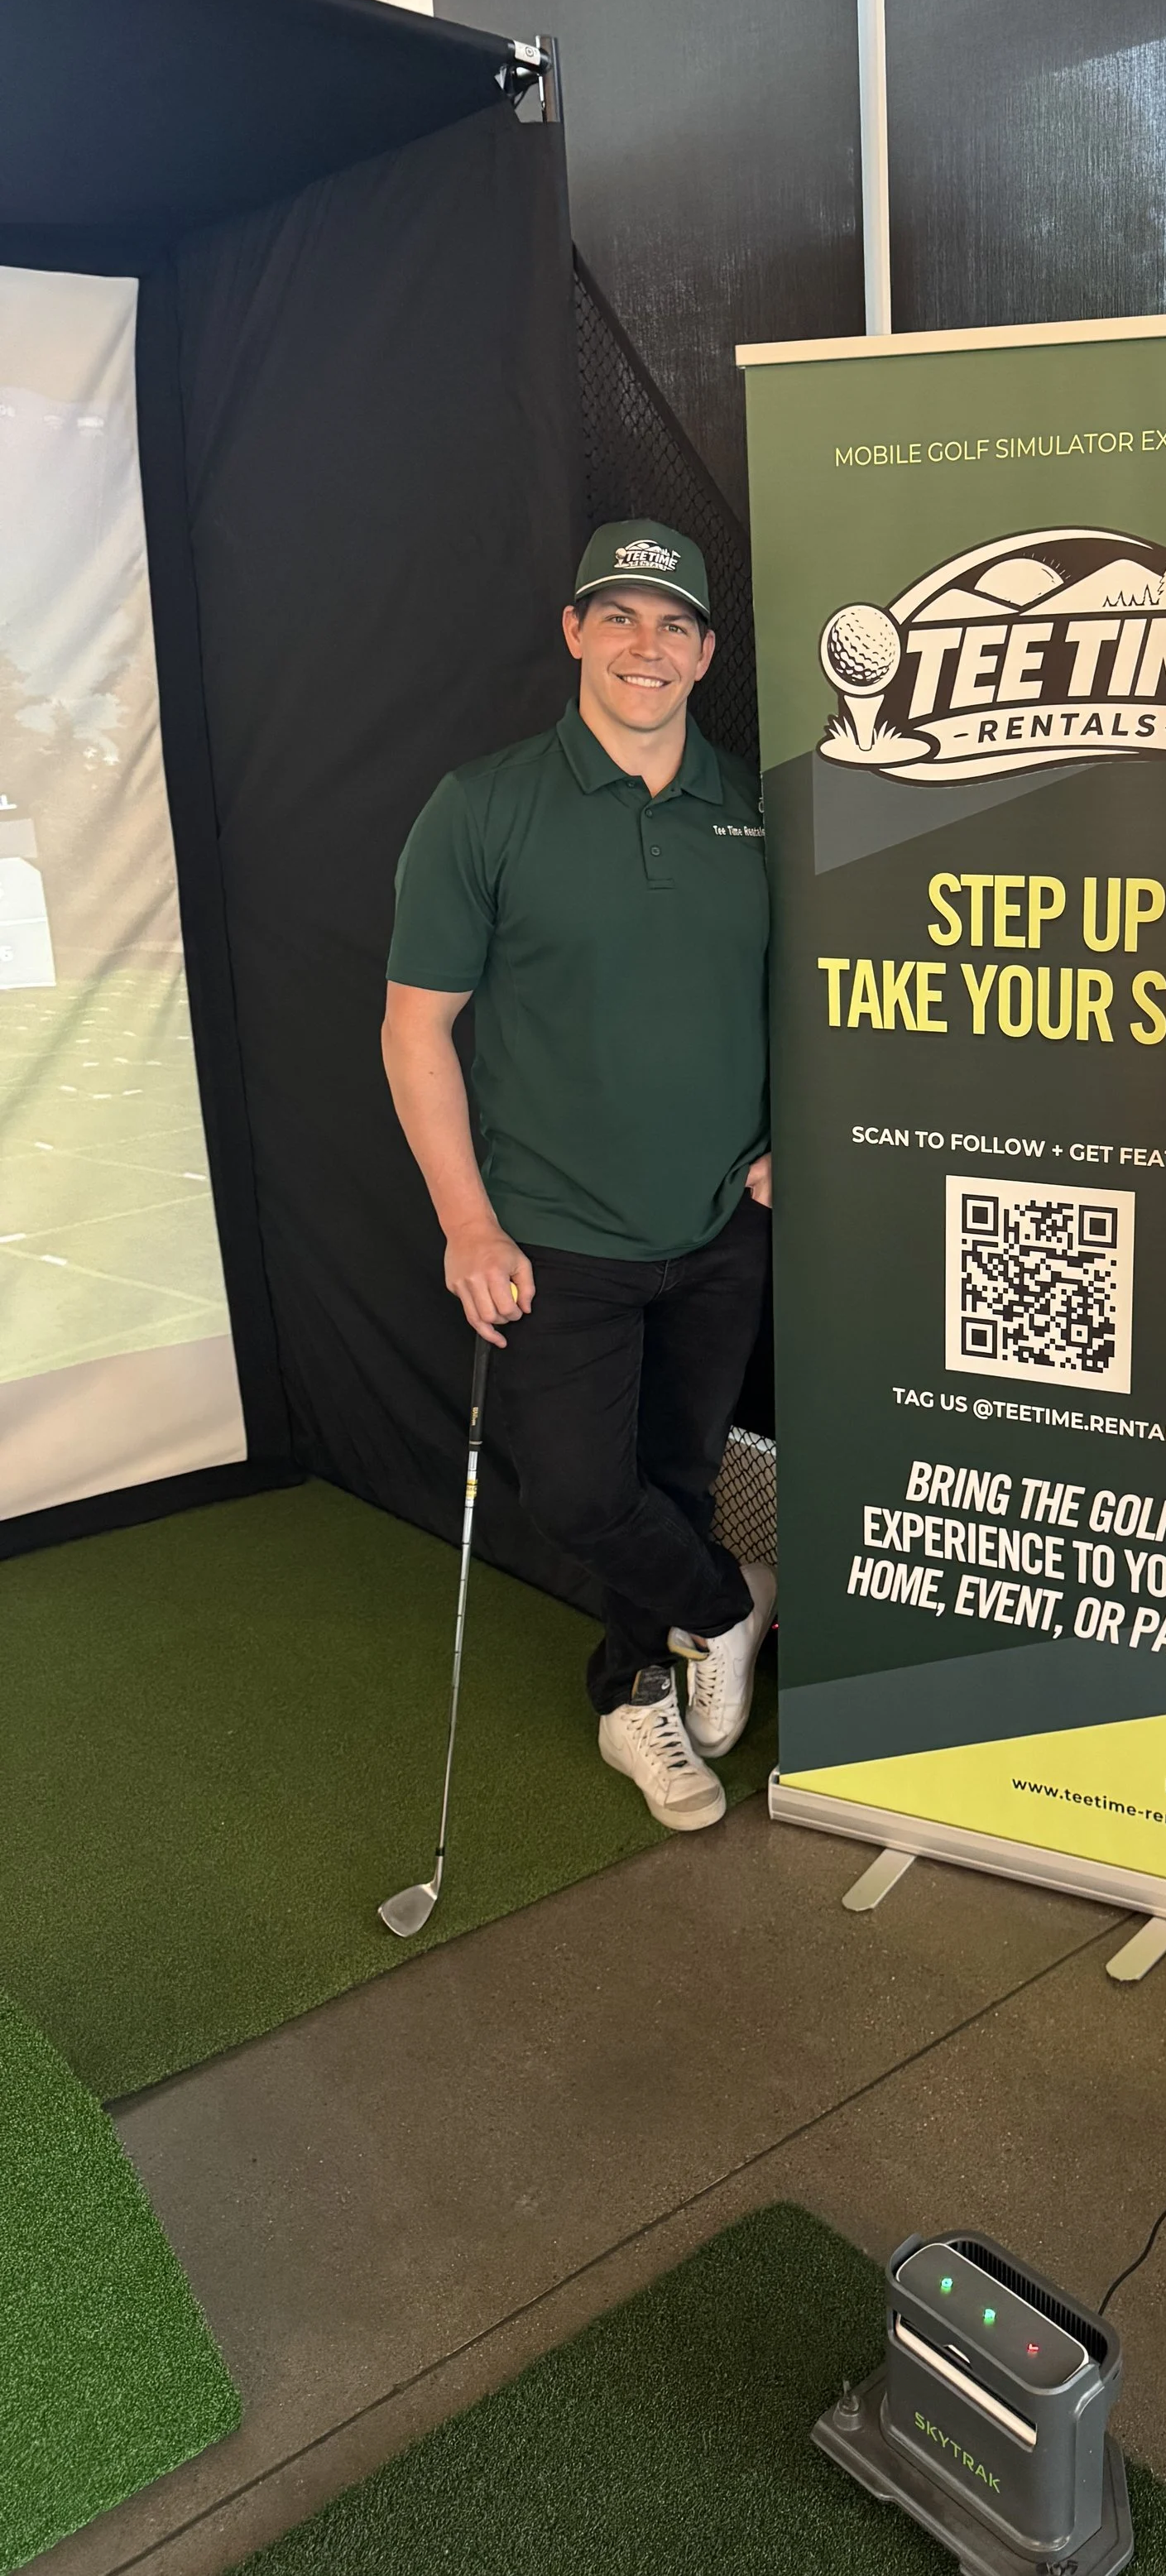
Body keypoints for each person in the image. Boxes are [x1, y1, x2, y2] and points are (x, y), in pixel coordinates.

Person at [382, 520, 776, 1835]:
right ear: (574, 631)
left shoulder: (754, 809)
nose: (645, 647)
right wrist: (465, 1222)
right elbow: (415, 1025)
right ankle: (725, 1605)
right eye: (619, 618)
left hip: (722, 1225)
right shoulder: (483, 805)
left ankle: (630, 1698)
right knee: (580, 1492)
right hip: (552, 1235)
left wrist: (790, 1135)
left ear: (708, 650)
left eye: (673, 625)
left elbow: (806, 998)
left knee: (673, 1474)